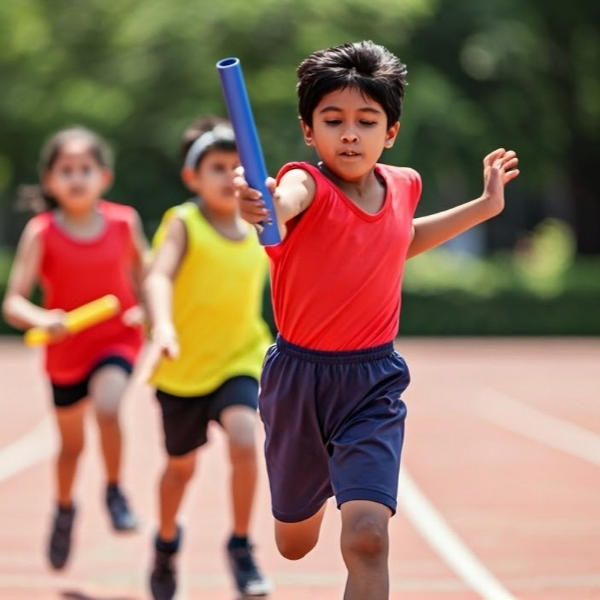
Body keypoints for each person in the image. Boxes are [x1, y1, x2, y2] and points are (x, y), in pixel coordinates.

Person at [234, 40, 520, 600]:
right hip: (298, 380)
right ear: (308, 130)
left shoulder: (404, 185)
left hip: (373, 382)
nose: (349, 134)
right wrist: (265, 204)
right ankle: (306, 492)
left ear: (390, 131)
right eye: (332, 120)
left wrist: (483, 208)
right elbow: (284, 200)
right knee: (294, 542)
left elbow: (400, 240)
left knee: (367, 538)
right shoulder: (305, 185)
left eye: (366, 121)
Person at [2, 127, 147, 570]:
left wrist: (147, 311)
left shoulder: (124, 222)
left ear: (104, 176)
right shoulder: (41, 231)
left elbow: (147, 279)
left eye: (85, 168)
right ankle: (64, 509)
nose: (76, 177)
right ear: (49, 181)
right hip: (64, 351)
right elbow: (13, 300)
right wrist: (43, 319)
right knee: (69, 448)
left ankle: (115, 489)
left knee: (108, 406)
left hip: (116, 340)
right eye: (66, 170)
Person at [144, 116, 272, 600]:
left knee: (244, 440)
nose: (229, 176)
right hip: (181, 368)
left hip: (240, 358)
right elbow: (158, 277)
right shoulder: (184, 222)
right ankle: (166, 543)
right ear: (192, 177)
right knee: (181, 468)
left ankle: (240, 545)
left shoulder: (260, 221)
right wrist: (165, 325)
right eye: (217, 166)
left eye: (239, 166)